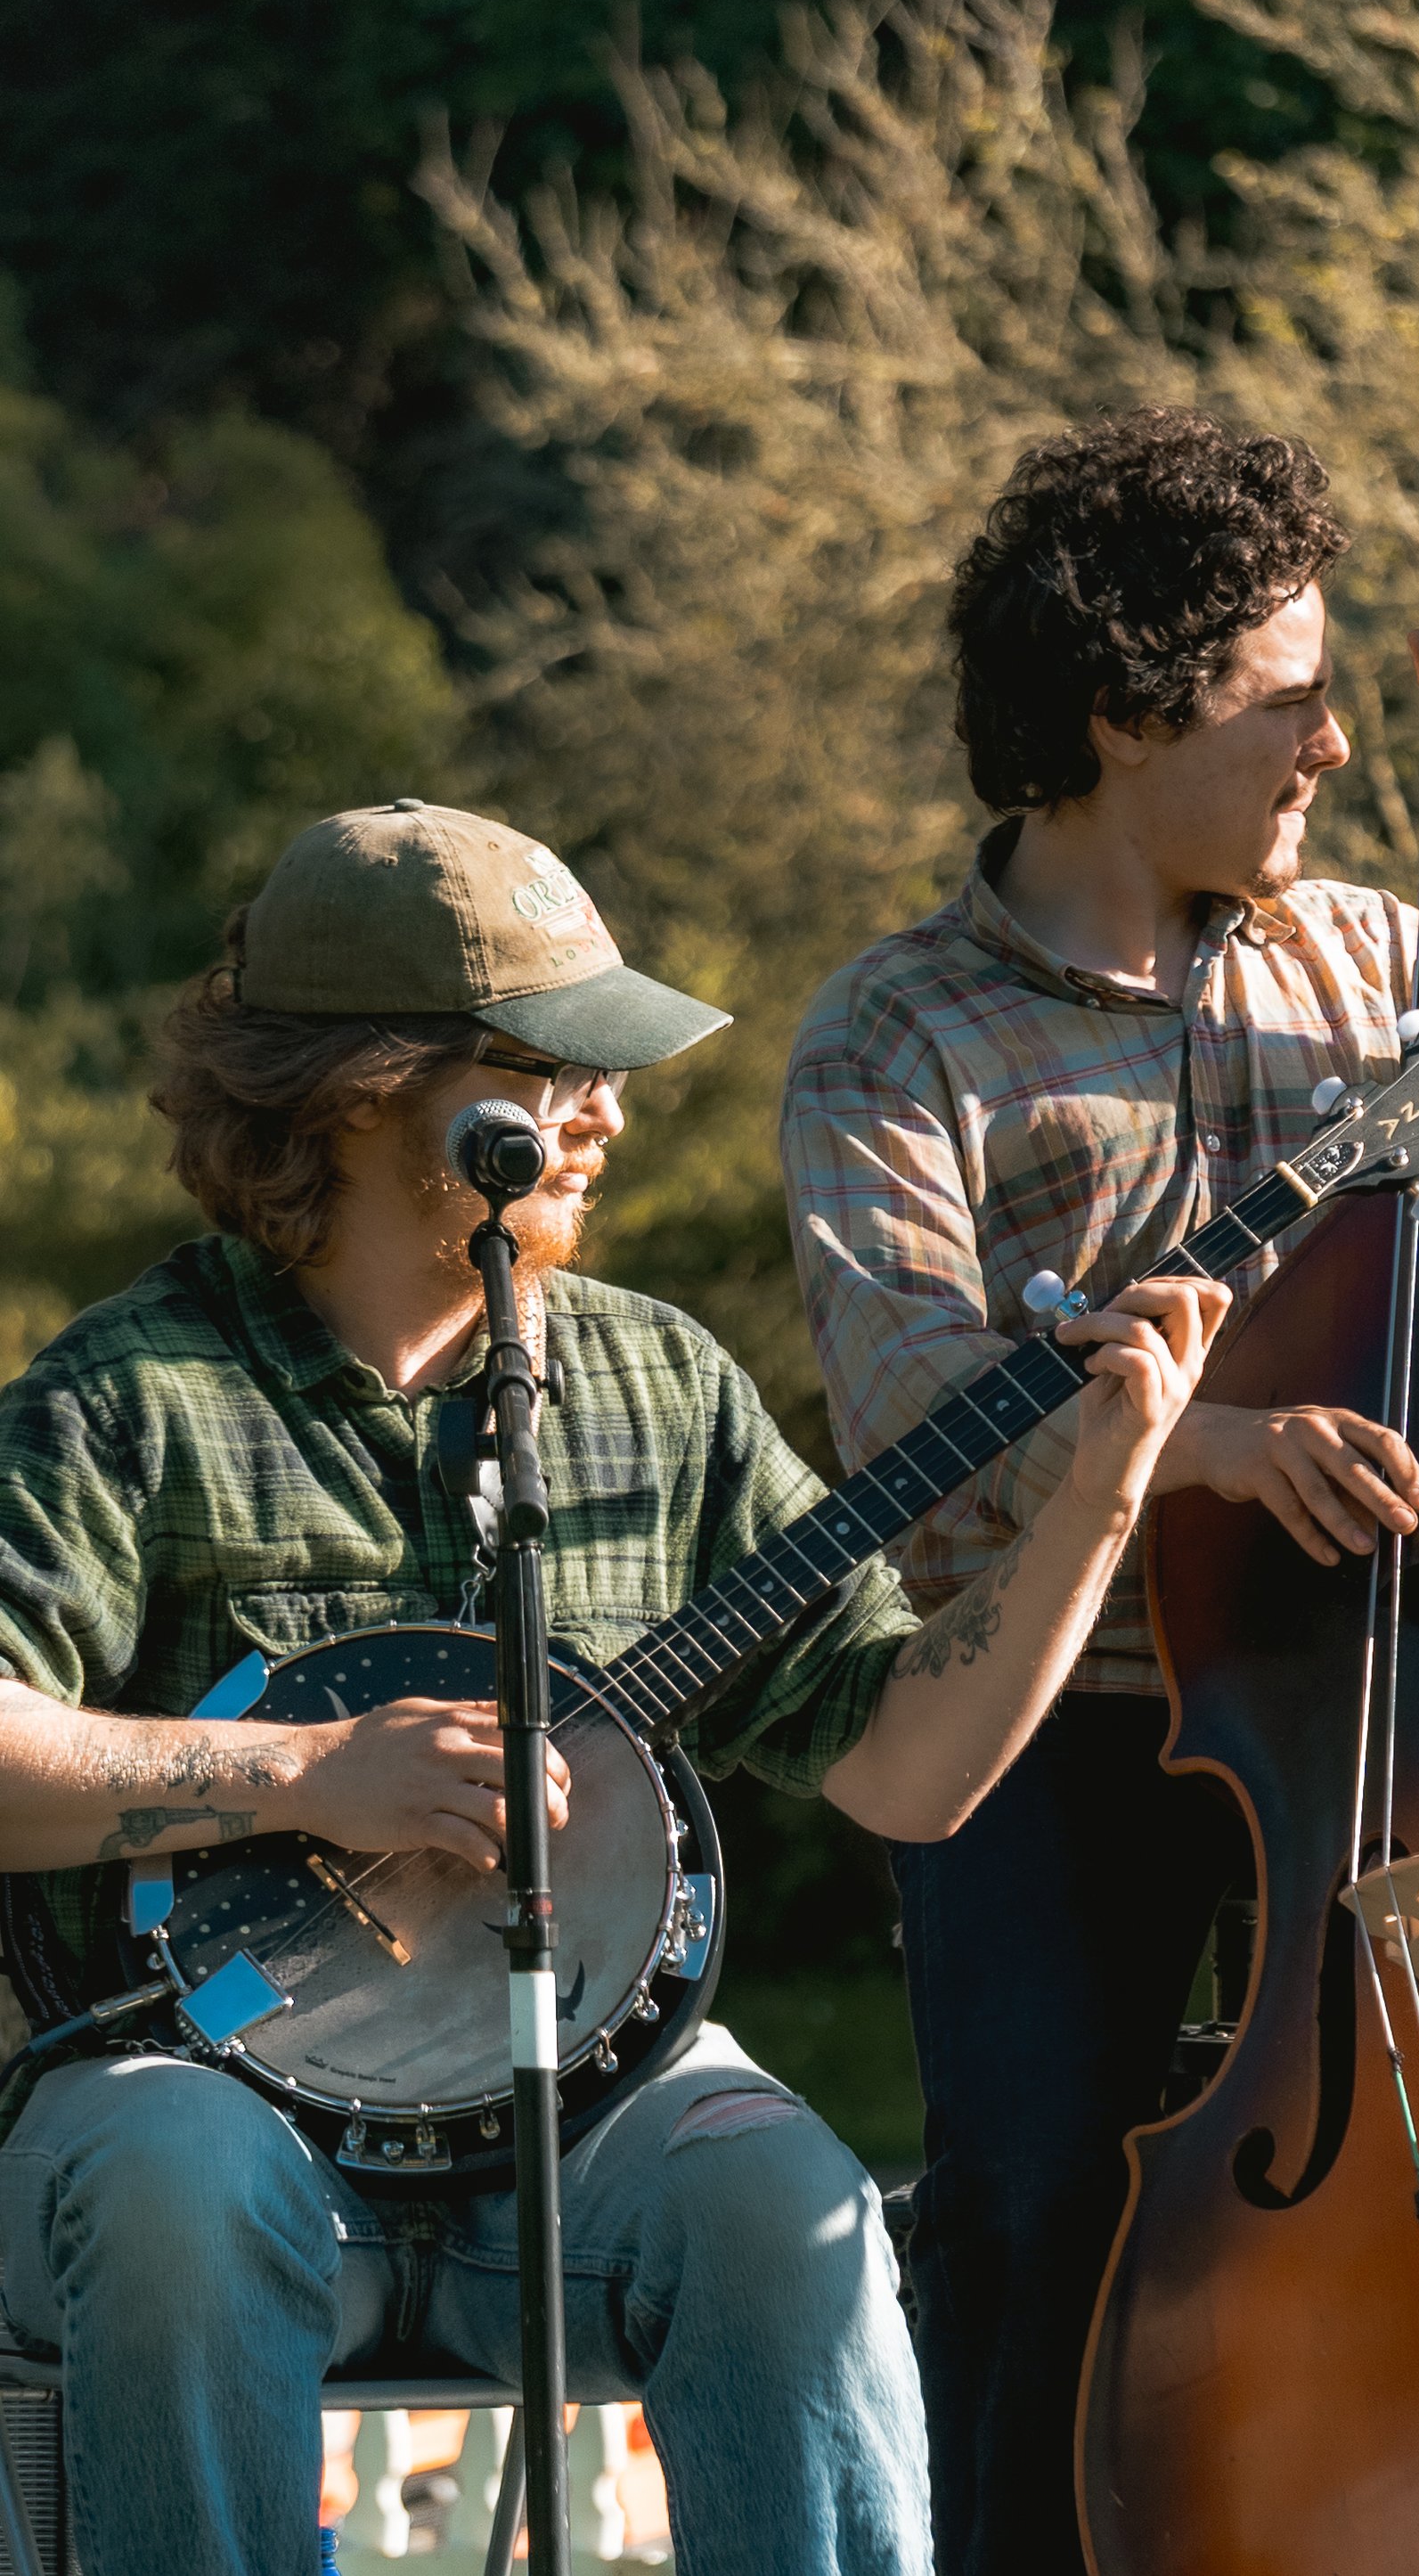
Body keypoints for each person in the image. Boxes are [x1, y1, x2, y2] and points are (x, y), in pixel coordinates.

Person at [0, 797, 1225, 2576]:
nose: (608, 1112)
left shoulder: (661, 1385)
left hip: (583, 2128)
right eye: (549, 1070)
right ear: (358, 1093)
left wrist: (1101, 1493)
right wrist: (305, 1771)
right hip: (198, 2110)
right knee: (180, 2186)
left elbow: (907, 1767)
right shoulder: (130, 1396)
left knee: (786, 2203)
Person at [780, 407, 1419, 2575]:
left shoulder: (1379, 962)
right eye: (1283, 696)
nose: (1334, 741)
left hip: (1415, 1713)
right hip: (1075, 1712)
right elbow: (911, 1416)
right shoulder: (893, 1035)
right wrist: (1206, 1452)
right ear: (1124, 714)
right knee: (1038, 2201)